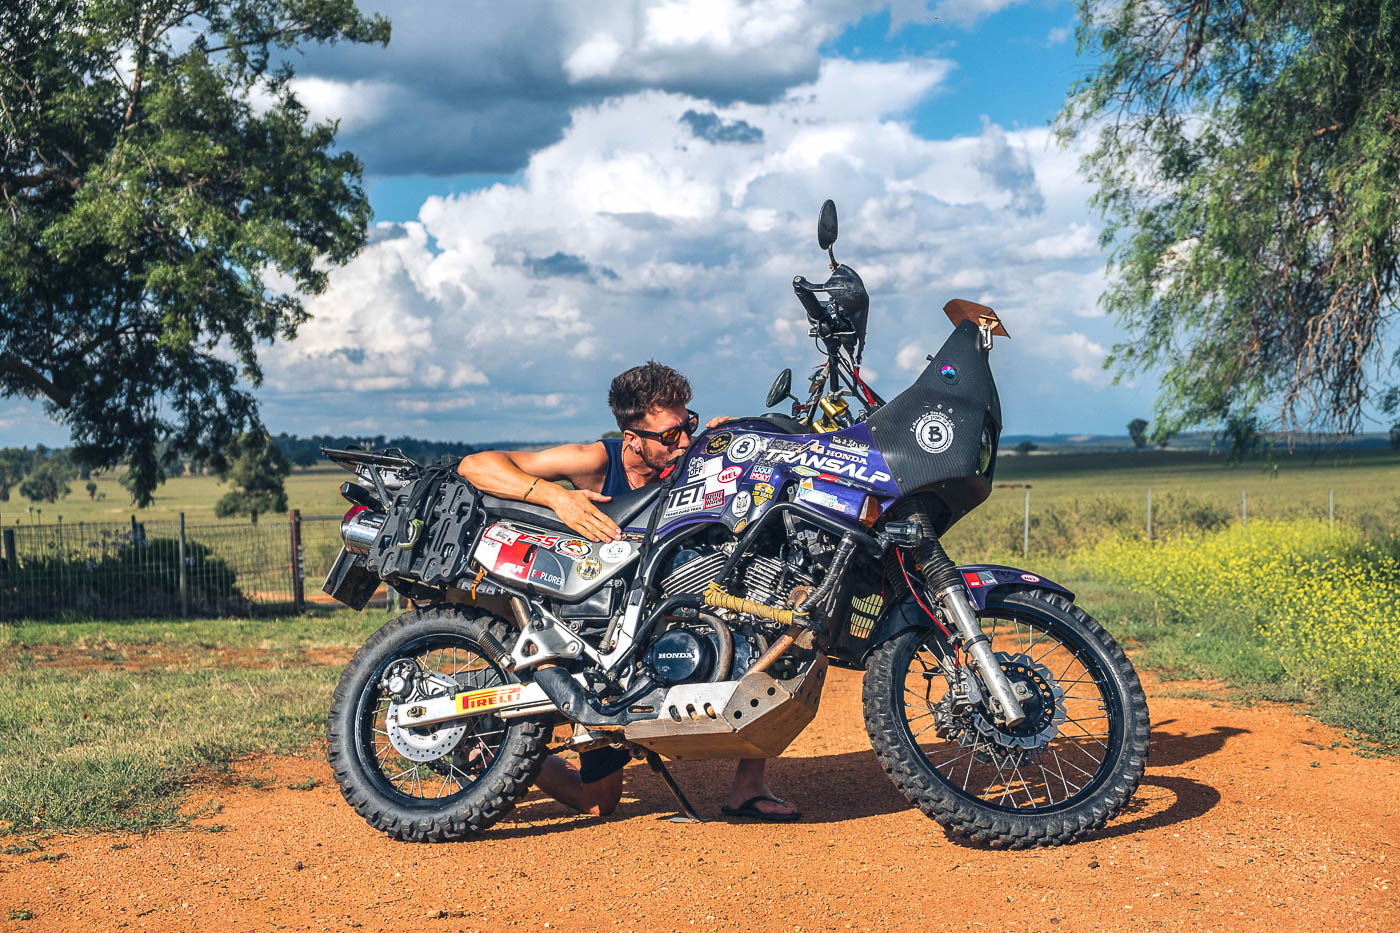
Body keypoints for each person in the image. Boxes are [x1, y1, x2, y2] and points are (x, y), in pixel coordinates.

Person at [457, 361, 799, 821]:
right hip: (595, 642)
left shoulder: (696, 454)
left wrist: (733, 439)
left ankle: (749, 787)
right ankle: (497, 746)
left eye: (688, 425)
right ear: (632, 438)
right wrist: (556, 496)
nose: (683, 442)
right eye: (669, 435)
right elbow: (475, 466)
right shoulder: (597, 463)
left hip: (660, 627)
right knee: (597, 802)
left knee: (764, 624)